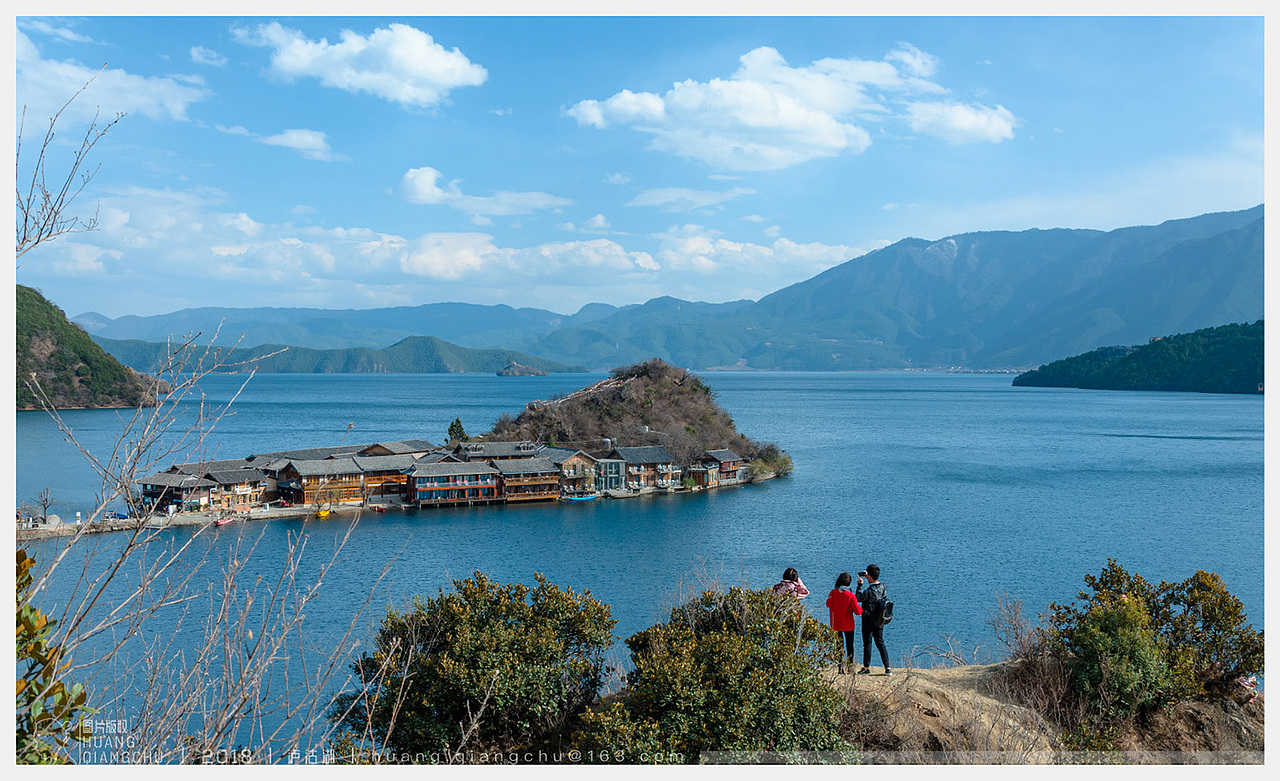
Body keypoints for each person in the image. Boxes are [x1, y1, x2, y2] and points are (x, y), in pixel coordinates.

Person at [856, 564, 890, 675]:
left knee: (867, 644)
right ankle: (887, 667)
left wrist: (860, 585)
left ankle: (866, 668)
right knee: (880, 642)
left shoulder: (869, 591)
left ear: (869, 576)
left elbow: (858, 598)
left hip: (868, 619)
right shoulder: (883, 586)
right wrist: (869, 577)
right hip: (880, 619)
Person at [826, 572, 862, 673]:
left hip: (836, 623)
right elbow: (858, 611)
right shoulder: (850, 595)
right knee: (850, 646)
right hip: (848, 624)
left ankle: (840, 667)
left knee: (839, 646)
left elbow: (828, 604)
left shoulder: (833, 593)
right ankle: (850, 667)